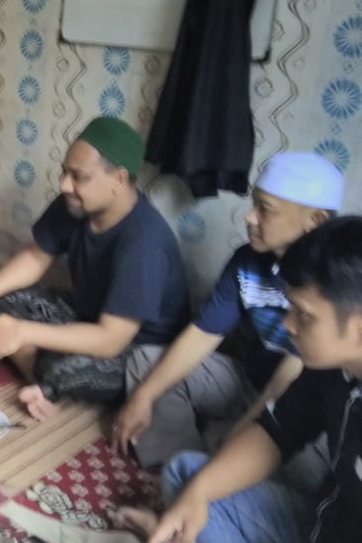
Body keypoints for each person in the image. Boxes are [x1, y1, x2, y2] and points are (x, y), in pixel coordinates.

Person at [113, 152, 344, 472]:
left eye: (265, 209)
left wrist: (231, 451)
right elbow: (203, 334)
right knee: (146, 365)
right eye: (253, 204)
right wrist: (145, 396)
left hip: (299, 408)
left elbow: (285, 384)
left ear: (314, 221)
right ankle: (175, 469)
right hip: (246, 382)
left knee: (298, 471)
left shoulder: (334, 286)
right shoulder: (248, 261)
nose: (249, 217)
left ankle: (205, 470)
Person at [141, 216, 362, 543]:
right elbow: (278, 433)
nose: (288, 325)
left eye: (304, 315)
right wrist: (199, 494)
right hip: (324, 519)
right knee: (191, 480)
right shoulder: (330, 369)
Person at [0, 116, 190, 421]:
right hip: (86, 319)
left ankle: (47, 380)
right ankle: (44, 382)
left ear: (119, 180)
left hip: (134, 352)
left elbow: (111, 340)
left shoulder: (144, 243)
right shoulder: (76, 205)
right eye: (65, 172)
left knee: (63, 367)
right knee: (0, 298)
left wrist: (22, 332)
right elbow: (35, 257)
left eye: (78, 177)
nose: (64, 185)